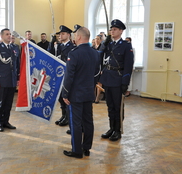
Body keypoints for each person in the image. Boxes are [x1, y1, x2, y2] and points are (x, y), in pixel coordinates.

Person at [62, 27, 100, 158]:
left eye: (75, 35)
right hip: (89, 93)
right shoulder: (95, 53)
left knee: (76, 123)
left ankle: (77, 150)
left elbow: (69, 76)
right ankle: (87, 148)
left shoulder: (74, 53)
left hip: (76, 95)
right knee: (88, 121)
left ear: (78, 37)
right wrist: (90, 86)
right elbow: (96, 74)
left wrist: (65, 93)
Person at [99, 19, 134, 141]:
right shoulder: (109, 44)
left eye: (114, 29)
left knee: (117, 106)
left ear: (121, 31)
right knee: (110, 106)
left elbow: (129, 66)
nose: (112, 31)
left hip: (118, 79)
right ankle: (111, 128)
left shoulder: (126, 46)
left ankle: (117, 130)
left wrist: (125, 82)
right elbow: (99, 55)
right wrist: (104, 44)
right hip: (108, 78)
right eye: (111, 29)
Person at [0, 28, 20, 132]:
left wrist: (18, 78)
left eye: (10, 34)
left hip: (11, 80)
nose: (9, 36)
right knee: (0, 103)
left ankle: (6, 121)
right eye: (7, 34)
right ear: (2, 36)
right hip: (1, 80)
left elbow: (17, 64)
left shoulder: (14, 48)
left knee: (8, 103)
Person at [55, 25, 75, 127]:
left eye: (63, 34)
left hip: (67, 75)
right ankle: (63, 115)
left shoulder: (72, 47)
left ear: (68, 35)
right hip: (59, 75)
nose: (60, 36)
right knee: (60, 97)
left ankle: (67, 117)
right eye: (60, 34)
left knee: (66, 97)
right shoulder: (59, 46)